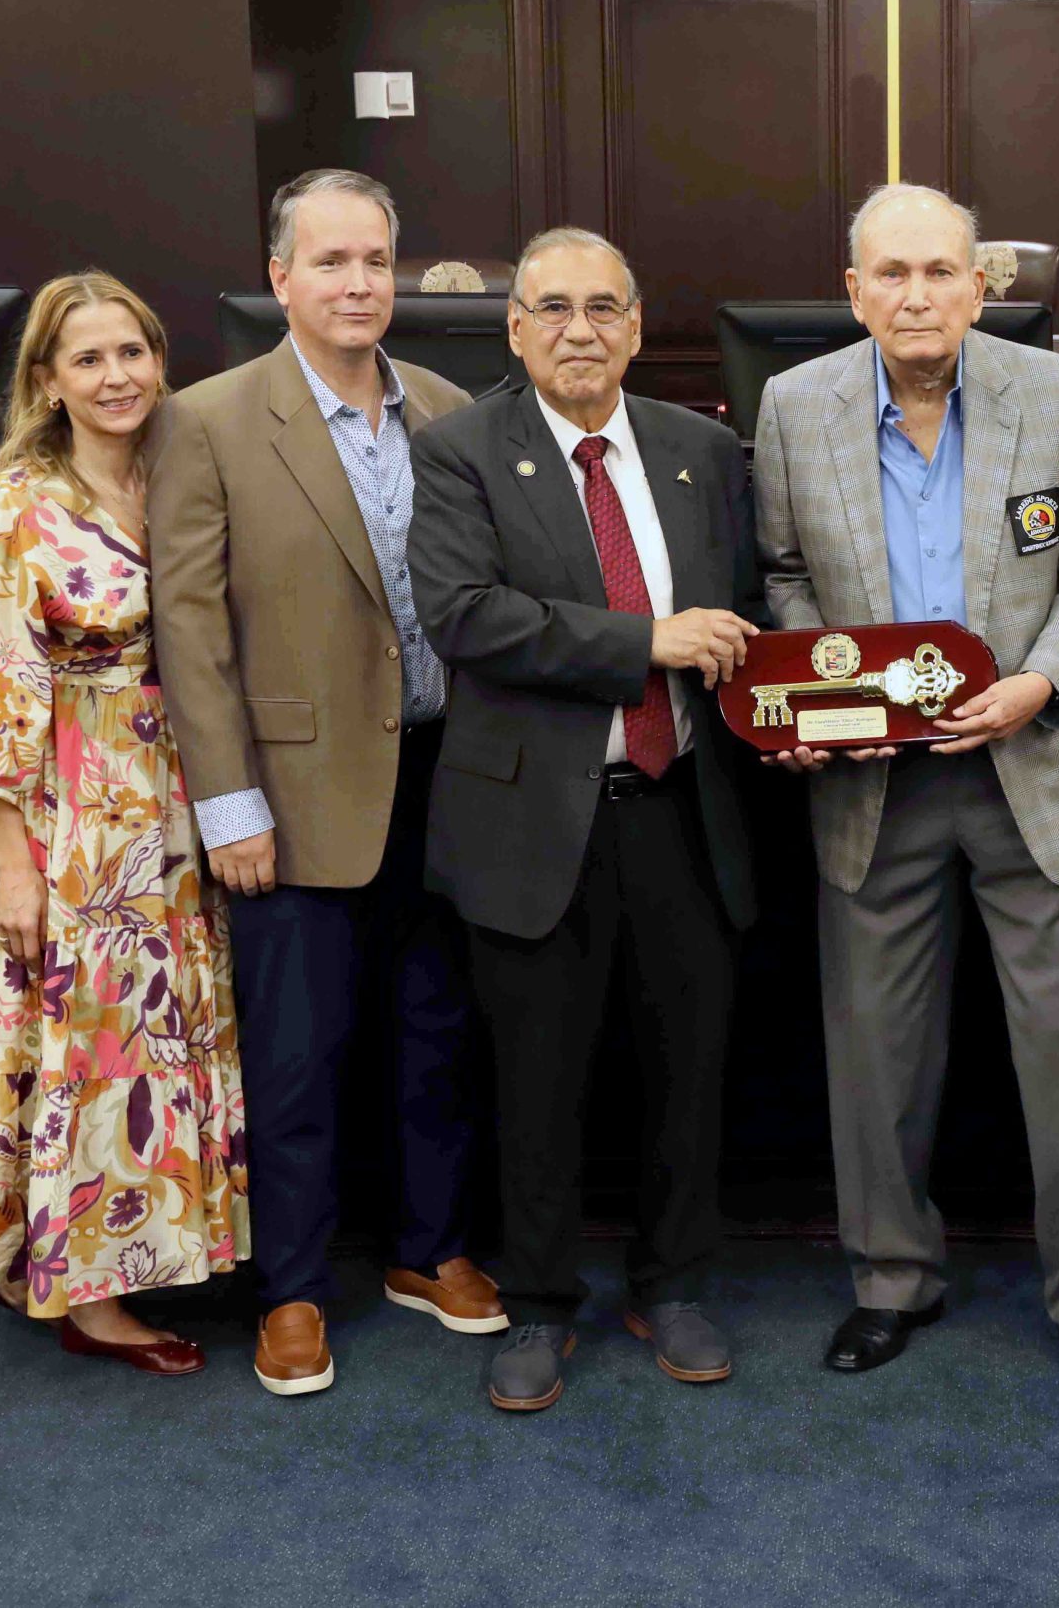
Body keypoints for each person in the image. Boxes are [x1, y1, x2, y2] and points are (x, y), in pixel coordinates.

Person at [752, 183, 1059, 1398]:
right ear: (853, 289)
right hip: (877, 790)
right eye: (891, 273)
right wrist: (828, 697)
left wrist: (1037, 684)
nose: (916, 295)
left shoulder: (1056, 393)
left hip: (1034, 769)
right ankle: (889, 1279)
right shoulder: (793, 405)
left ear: (981, 287)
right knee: (874, 1053)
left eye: (938, 272)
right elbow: (781, 573)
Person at [148, 169, 500, 1398]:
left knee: (435, 1036)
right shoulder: (207, 419)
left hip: (445, 778)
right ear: (280, 277)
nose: (358, 284)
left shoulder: (448, 408)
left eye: (376, 261)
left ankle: (428, 1251)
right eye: (331, 262)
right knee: (296, 1056)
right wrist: (227, 802)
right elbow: (190, 625)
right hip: (290, 796)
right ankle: (291, 1289)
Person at [407, 228, 762, 1413]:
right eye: (553, 308)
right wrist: (646, 642)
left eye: (603, 307)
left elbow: (748, 612)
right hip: (532, 824)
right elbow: (465, 614)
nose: (580, 330)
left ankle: (676, 1284)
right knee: (537, 1082)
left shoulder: (700, 450)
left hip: (684, 808)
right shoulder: (459, 450)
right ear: (515, 329)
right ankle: (543, 1303)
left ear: (636, 324)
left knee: (687, 1069)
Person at [0, 271, 247, 1375]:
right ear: (47, 381)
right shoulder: (15, 505)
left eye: (133, 352)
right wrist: (13, 867)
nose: (117, 376)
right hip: (81, 815)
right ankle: (92, 1293)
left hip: (186, 800)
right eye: (89, 358)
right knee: (99, 1042)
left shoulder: (184, 476)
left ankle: (171, 1245)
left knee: (175, 1028)